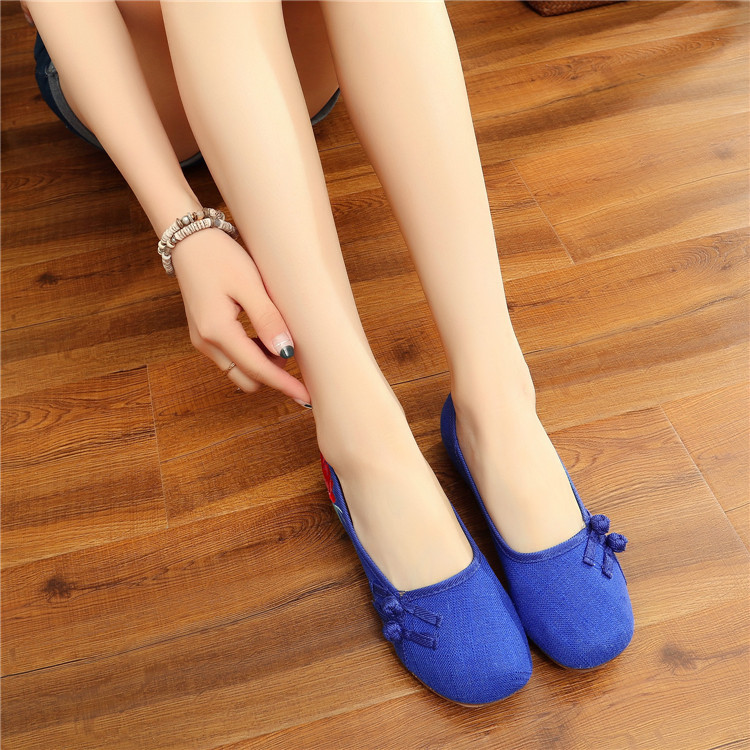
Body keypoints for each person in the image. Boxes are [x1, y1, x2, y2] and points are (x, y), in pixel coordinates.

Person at [24, 0, 633, 706]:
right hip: (134, 73)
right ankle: (363, 441)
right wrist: (182, 224)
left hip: (299, 52)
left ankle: (498, 405)